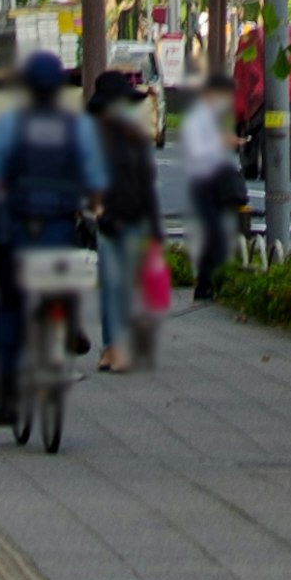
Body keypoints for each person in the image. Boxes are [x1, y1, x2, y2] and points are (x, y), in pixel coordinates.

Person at [0, 40, 96, 430]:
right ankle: (70, 321)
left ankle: (9, 396)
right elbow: (94, 179)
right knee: (69, 268)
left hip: (16, 231)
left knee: (10, 307)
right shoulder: (73, 127)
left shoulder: (12, 125)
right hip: (58, 225)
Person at [90, 59, 162, 367]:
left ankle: (118, 346)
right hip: (112, 219)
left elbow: (147, 185)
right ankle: (112, 347)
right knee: (112, 283)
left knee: (124, 284)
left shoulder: (132, 140)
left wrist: (155, 229)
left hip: (132, 218)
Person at [175, 68, 246, 299]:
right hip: (203, 182)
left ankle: (207, 284)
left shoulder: (211, 116)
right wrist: (222, 141)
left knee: (215, 233)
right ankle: (206, 284)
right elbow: (196, 150)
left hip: (212, 181)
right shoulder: (198, 117)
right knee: (214, 233)